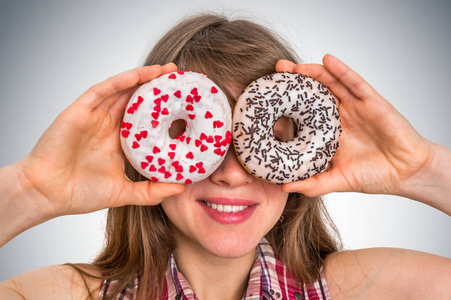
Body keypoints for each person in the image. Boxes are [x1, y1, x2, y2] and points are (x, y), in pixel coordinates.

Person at [0, 13, 450, 300]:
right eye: (200, 140)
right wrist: (32, 190)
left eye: (267, 137)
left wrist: (421, 169)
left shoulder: (370, 290)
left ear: (309, 155)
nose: (233, 173)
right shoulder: (57, 294)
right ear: (142, 152)